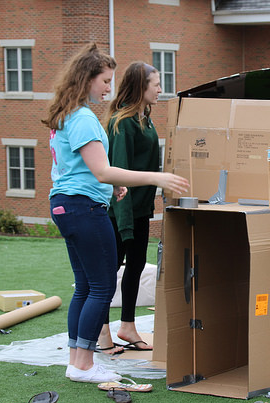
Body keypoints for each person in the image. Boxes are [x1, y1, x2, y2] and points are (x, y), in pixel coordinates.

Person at [42, 43, 189, 382]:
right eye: (105, 80)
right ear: (86, 79)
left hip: (69, 204)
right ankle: (84, 365)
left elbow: (82, 170)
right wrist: (155, 176)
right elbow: (104, 170)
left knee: (86, 285)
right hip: (83, 209)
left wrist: (109, 188)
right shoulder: (82, 119)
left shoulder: (66, 116)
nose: (110, 87)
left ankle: (77, 360)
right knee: (102, 286)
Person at [96, 62, 162, 354]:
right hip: (119, 212)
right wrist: (123, 222)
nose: (160, 89)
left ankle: (128, 326)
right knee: (109, 272)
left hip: (140, 209)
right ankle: (101, 332)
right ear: (141, 87)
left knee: (134, 267)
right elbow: (118, 170)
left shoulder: (144, 120)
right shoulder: (122, 123)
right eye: (156, 84)